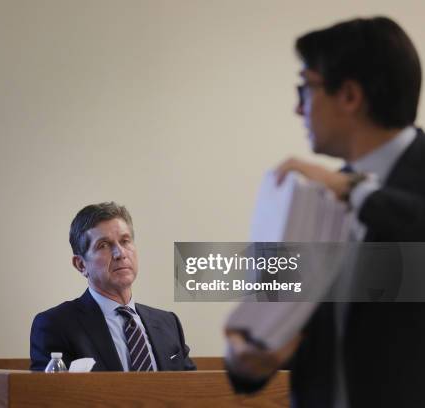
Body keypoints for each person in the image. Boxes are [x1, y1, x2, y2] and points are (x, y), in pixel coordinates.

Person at [225, 16, 425, 407]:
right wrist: (246, 359)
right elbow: (274, 331)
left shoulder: (351, 193)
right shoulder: (312, 202)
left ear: (349, 95)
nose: (298, 108)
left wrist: (354, 191)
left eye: (306, 88)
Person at [30, 202, 196, 372]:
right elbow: (51, 396)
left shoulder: (168, 323)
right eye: (104, 245)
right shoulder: (56, 325)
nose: (120, 253)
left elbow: (193, 390)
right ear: (81, 264)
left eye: (125, 241)